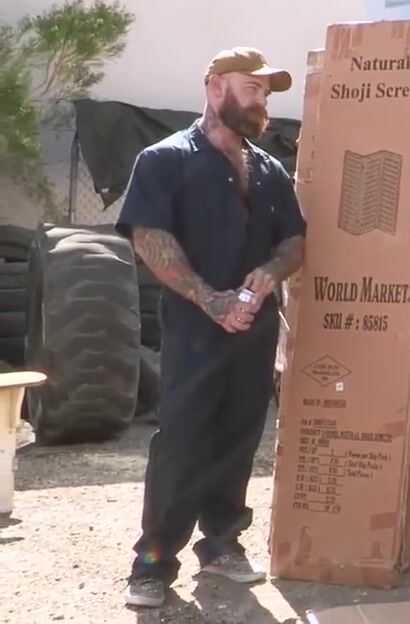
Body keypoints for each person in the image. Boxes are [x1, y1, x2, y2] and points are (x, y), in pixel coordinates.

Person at [117, 47, 307, 609]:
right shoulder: (165, 159)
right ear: (215, 86)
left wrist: (269, 275)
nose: (261, 101)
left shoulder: (269, 168)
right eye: (252, 88)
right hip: (194, 328)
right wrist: (210, 298)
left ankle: (222, 544)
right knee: (182, 439)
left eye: (266, 93)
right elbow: (149, 236)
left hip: (255, 326)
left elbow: (294, 240)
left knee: (239, 435)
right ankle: (153, 565)